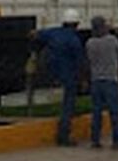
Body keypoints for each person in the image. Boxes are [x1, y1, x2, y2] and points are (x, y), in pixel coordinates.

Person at [36, 8, 84, 146]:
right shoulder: (74, 40)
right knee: (68, 106)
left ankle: (64, 132)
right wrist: (83, 79)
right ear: (76, 24)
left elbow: (34, 34)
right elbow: (80, 63)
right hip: (68, 77)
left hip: (52, 74)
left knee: (64, 105)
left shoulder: (53, 33)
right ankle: (63, 136)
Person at [86, 16, 118, 150]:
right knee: (114, 112)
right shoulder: (112, 40)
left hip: (96, 81)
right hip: (110, 80)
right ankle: (117, 140)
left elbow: (88, 60)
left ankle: (95, 140)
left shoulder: (90, 43)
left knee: (96, 111)